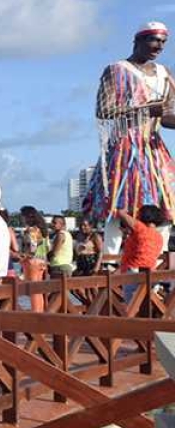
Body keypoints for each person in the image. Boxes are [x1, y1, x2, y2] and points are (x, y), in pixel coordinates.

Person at [84, 22, 175, 254]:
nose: (159, 46)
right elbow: (103, 111)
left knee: (166, 203)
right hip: (125, 146)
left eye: (163, 42)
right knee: (119, 202)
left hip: (153, 147)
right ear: (139, 41)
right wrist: (145, 109)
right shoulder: (116, 69)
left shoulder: (164, 74)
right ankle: (111, 256)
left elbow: (166, 117)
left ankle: (158, 255)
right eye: (154, 40)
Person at [116, 205, 166, 272]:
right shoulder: (159, 236)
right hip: (149, 274)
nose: (137, 217)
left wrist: (128, 210)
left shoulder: (140, 228)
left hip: (132, 272)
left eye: (138, 214)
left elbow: (121, 213)